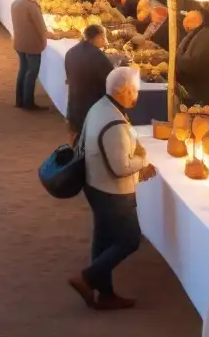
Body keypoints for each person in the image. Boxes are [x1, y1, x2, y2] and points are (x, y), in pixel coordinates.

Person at [69, 66, 156, 311]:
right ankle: (87, 278)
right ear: (125, 91)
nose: (136, 95)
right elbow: (121, 167)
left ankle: (105, 294)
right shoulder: (116, 123)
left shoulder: (99, 106)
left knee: (104, 238)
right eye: (135, 90)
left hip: (94, 184)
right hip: (112, 192)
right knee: (129, 239)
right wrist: (143, 162)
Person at [10, 0, 55, 110]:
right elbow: (41, 29)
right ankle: (28, 102)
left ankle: (19, 100)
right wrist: (54, 36)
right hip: (32, 44)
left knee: (23, 69)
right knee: (32, 72)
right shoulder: (32, 7)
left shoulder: (15, 3)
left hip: (19, 42)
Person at [64, 24, 113, 143]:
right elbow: (110, 80)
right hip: (91, 105)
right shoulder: (98, 57)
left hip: (74, 103)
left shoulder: (71, 52)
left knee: (75, 137)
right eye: (103, 37)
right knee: (89, 141)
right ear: (98, 37)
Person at [175, 9, 209, 106]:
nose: (184, 24)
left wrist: (173, 60)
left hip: (204, 97)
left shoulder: (205, 37)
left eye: (186, 20)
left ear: (189, 22)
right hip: (198, 92)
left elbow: (191, 65)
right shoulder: (200, 33)